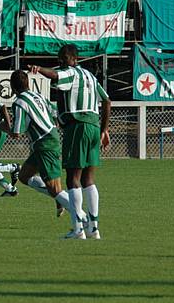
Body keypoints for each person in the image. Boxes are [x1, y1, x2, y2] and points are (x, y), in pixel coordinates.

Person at [29, 44, 112, 240]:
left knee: (72, 178)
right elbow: (107, 101)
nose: (61, 62)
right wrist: (104, 129)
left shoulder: (71, 73)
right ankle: (94, 228)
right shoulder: (90, 76)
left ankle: (78, 229)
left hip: (77, 126)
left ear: (75, 60)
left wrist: (39, 69)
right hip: (92, 126)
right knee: (88, 179)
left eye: (65, 59)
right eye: (60, 58)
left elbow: (56, 76)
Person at [0, 70, 71, 218]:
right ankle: (58, 198)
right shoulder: (38, 96)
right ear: (28, 83)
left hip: (44, 143)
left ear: (12, 87)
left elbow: (16, 133)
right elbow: (55, 112)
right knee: (24, 176)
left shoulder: (19, 103)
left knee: (54, 188)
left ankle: (82, 216)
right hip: (46, 141)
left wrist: (0, 126)